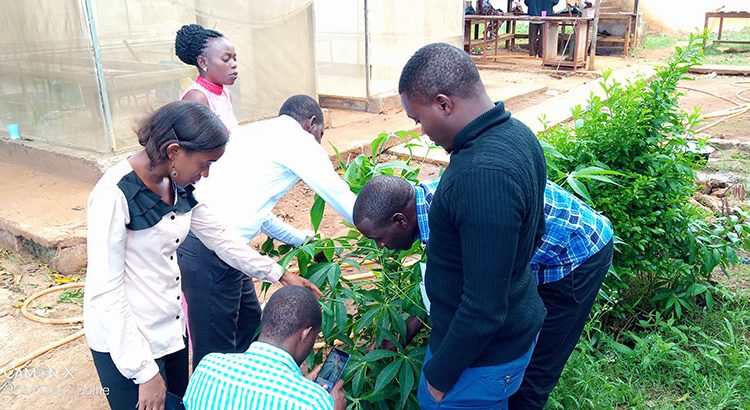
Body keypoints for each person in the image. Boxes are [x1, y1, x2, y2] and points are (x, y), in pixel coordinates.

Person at [84, 101, 320, 410]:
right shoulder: (114, 195)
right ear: (174, 152)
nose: (206, 174)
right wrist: (143, 373)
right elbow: (107, 293)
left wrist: (278, 273)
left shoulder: (177, 184)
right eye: (204, 164)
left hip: (169, 328)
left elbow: (221, 238)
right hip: (127, 341)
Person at [354, 175, 615, 409]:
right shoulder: (429, 206)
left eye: (378, 237)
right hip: (533, 254)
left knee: (537, 368)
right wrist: (405, 331)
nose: (381, 246)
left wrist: (438, 379)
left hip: (578, 252)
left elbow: (482, 306)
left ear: (400, 220)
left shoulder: (459, 223)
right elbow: (451, 290)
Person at [398, 43, 547, 409]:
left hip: (480, 359)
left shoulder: (481, 175)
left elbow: (483, 309)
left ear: (444, 104)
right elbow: (536, 230)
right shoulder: (518, 134)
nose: (421, 132)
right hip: (500, 339)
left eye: (418, 119)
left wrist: (438, 377)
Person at [179, 94, 356, 369]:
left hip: (230, 253)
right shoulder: (299, 141)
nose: (319, 141)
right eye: (320, 133)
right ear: (311, 123)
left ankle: (249, 392)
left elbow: (255, 212)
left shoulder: (256, 132)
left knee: (250, 326)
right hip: (209, 252)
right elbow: (339, 195)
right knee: (215, 353)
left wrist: (303, 240)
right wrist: (380, 225)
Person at [183, 286, 347, 410]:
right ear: (305, 334)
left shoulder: (207, 367)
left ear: (264, 318)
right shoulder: (314, 403)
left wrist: (302, 385)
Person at [175, 24, 239, 133]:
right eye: (226, 59)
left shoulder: (225, 93)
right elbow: (199, 146)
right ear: (203, 62)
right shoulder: (196, 97)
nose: (234, 64)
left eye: (234, 58)